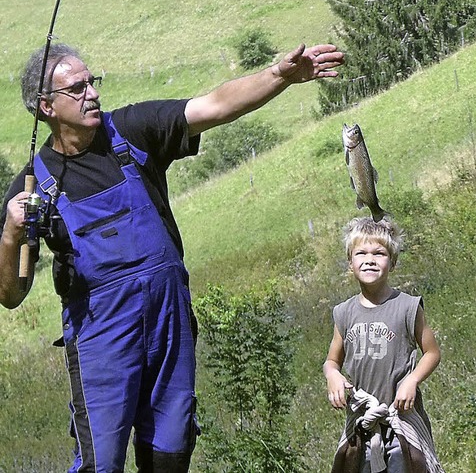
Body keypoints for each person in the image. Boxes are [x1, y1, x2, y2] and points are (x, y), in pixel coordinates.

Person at [0, 41, 343, 471]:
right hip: (100, 342)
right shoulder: (35, 187)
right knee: (100, 464)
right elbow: (11, 295)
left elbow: (214, 106)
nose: (93, 93)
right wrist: (12, 235)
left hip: (169, 322)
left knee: (171, 451)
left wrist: (280, 75)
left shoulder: (130, 131)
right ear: (45, 106)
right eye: (78, 88)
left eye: (93, 82)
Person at [323, 217, 444, 473]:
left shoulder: (408, 307)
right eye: (361, 253)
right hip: (363, 423)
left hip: (401, 419)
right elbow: (332, 360)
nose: (370, 259)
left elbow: (432, 353)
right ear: (350, 263)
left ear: (393, 261)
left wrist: (412, 381)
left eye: (379, 253)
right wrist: (332, 375)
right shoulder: (344, 313)